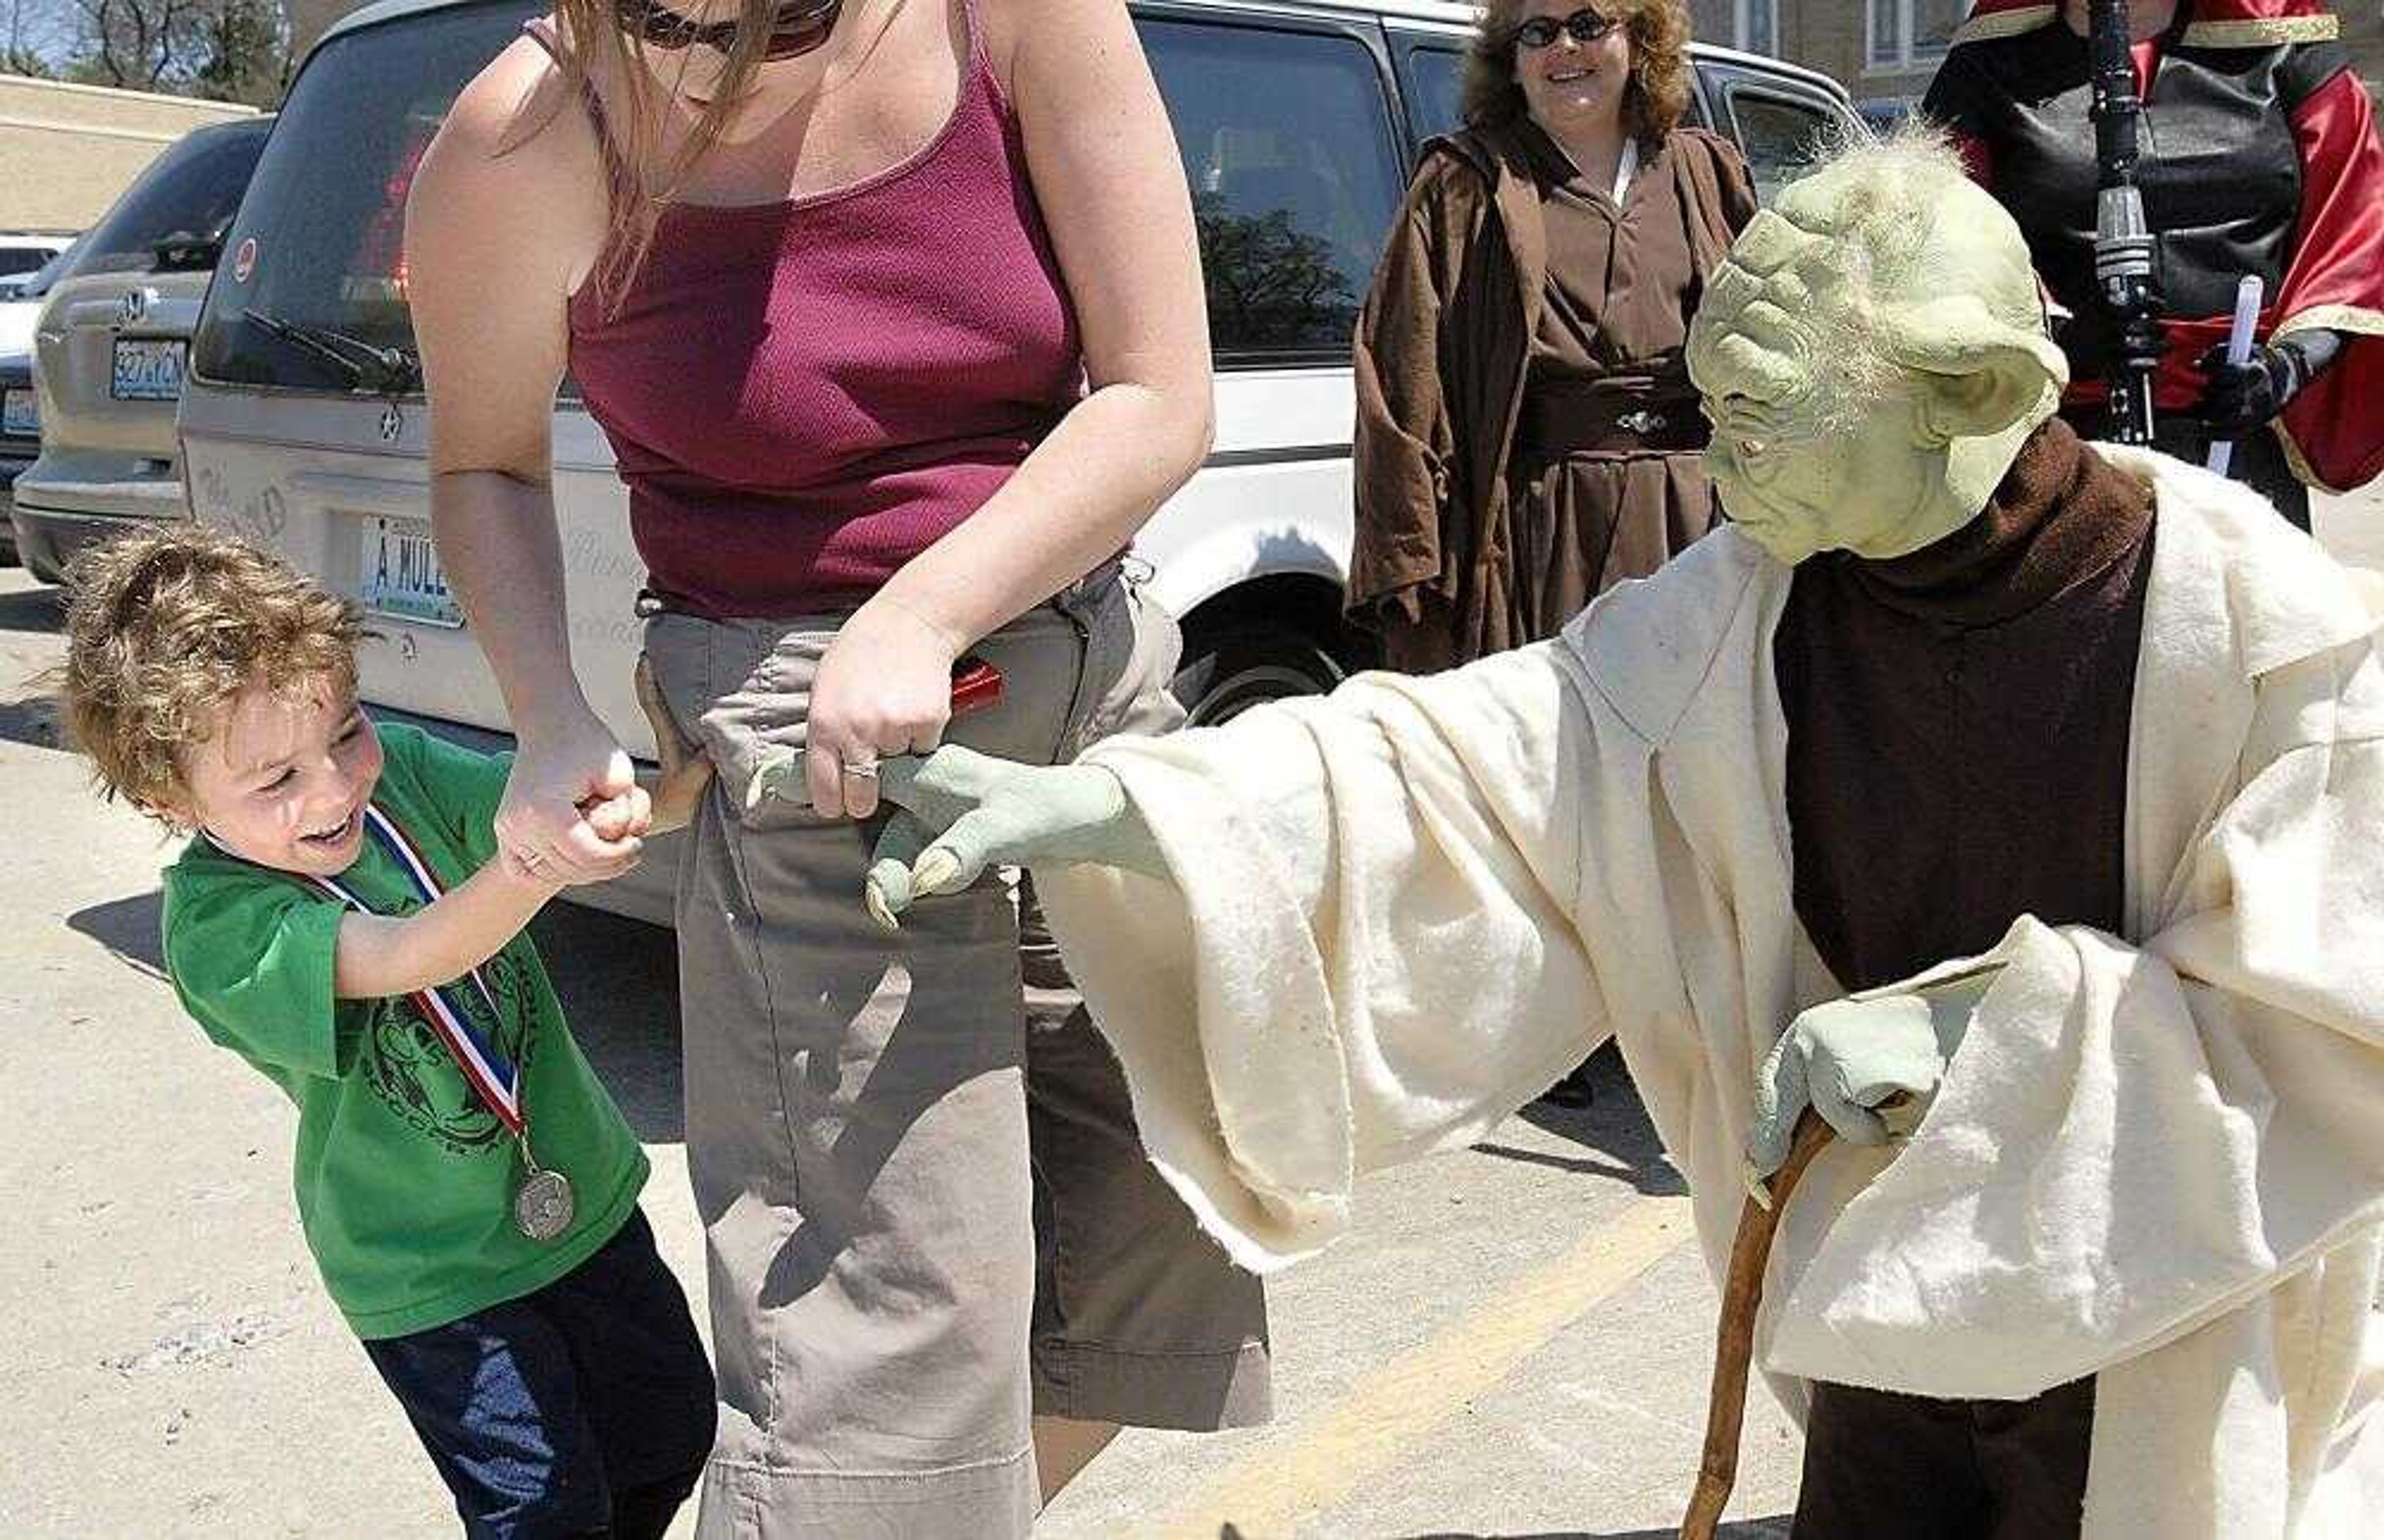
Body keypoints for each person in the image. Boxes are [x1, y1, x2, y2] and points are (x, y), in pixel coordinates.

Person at [860, 133, 2384, 1536]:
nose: (1719, 476)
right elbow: (1478, 760)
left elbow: (2324, 1012)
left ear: (1972, 394)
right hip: (1873, 1259)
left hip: (2145, 1291)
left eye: (1768, 421)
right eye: (1709, 419)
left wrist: (1978, 1030)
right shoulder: (1751, 600)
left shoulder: (2252, 638)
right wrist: (1127, 804)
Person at [402, 0, 1271, 1531]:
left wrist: (926, 607)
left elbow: (1157, 391)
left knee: (1161, 1226)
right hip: (812, 756)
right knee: (886, 1327)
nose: (695, 68)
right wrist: (547, 715)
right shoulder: (525, 133)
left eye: (776, 24)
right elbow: (484, 461)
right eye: (653, 20)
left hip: (1081, 695)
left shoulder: (1022, 21)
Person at [55, 528, 719, 1539]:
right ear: (167, 798)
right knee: (540, 1508)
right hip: (429, 1271)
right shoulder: (218, 927)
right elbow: (412, 955)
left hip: (577, 1196)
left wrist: (659, 796)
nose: (332, 786)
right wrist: (539, 862)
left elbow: (540, 805)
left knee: (669, 1431)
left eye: (346, 731)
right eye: (274, 781)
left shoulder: (399, 772)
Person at [1350, 0, 1758, 675]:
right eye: (1537, 33)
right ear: (1509, 60)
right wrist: (1412, 559)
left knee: (1697, 760)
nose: (1564, 48)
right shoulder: (1463, 186)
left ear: (1641, 39)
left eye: (1589, 24)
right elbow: (1401, 383)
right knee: (1556, 756)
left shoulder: (1705, 172)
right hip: (1540, 537)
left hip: (1699, 529)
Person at [1923, 0, 2384, 528]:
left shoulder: (2287, 47)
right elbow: (1937, 235)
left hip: (2240, 443)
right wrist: (2057, 333)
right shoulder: (1987, 64)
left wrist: (2288, 365)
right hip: (2059, 452)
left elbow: (2356, 229)